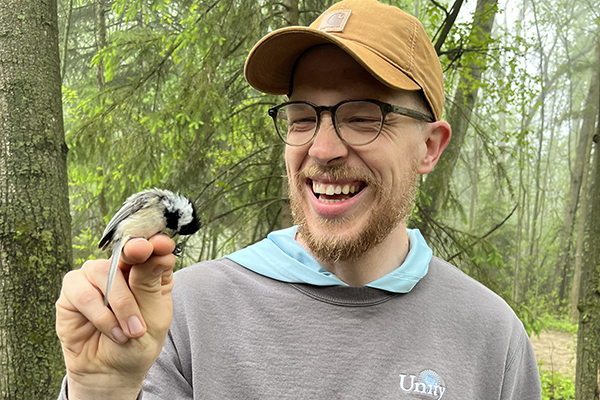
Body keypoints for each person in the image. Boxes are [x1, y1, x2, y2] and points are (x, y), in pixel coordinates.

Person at [56, 0, 542, 398]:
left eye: (362, 116)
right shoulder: (169, 316)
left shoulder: (492, 338)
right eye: (302, 117)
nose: (323, 149)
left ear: (430, 147)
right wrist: (103, 390)